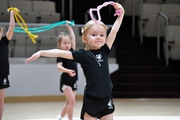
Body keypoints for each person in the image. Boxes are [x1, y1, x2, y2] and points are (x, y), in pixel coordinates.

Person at [26, 2, 124, 120]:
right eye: (94, 34)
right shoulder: (82, 54)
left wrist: (120, 16)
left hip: (106, 99)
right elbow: (61, 53)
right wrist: (41, 52)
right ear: (84, 38)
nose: (99, 37)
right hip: (91, 101)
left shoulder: (104, 50)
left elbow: (114, 31)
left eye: (102, 35)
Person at [56, 21, 78, 120]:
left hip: (73, 81)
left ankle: (60, 117)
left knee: (69, 102)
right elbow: (58, 67)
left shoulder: (72, 52)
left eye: (68, 43)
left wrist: (69, 27)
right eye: (64, 43)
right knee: (72, 101)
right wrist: (68, 71)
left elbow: (73, 37)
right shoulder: (61, 54)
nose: (67, 45)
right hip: (65, 82)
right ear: (59, 45)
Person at [0, 10, 15, 120]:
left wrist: (12, 14)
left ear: (1, 32)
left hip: (3, 73)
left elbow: (11, 27)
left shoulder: (5, 41)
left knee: (1, 99)